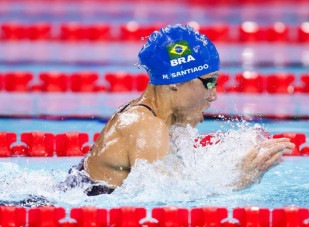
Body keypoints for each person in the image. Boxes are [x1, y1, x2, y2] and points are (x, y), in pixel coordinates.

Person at [61, 24, 295, 196]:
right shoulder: (145, 126)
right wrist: (240, 180)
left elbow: (180, 183)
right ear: (175, 81)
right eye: (209, 82)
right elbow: (169, 202)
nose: (213, 94)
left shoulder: (152, 116)